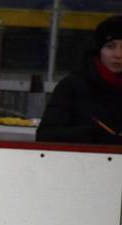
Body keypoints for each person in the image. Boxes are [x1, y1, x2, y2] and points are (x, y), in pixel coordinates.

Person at [36, 15, 122, 145]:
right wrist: (95, 135)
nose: (118, 55)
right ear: (99, 50)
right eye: (110, 46)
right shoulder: (72, 86)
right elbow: (46, 135)